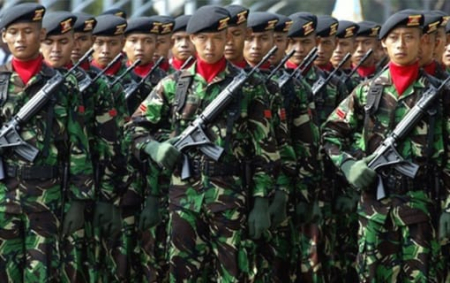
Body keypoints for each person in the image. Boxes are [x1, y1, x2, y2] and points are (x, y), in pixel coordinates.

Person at [127, 5, 279, 281]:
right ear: (193, 39)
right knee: (183, 272)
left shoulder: (249, 85)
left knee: (234, 272)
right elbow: (134, 128)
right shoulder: (173, 85)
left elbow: (264, 148)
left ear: (227, 39)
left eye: (218, 38)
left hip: (231, 195)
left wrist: (260, 200)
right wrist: (154, 147)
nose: (210, 45)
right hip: (183, 195)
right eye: (203, 38)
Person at [322, 10, 450, 282]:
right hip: (374, 211)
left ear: (422, 42)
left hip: (422, 210)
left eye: (409, 38)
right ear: (384, 44)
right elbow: (331, 132)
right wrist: (348, 165)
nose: (402, 45)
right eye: (394, 38)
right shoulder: (367, 92)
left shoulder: (439, 96)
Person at [0, 3, 93, 282]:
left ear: (40, 35)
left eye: (28, 31)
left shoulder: (64, 85)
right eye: (13, 33)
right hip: (2, 195)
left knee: (45, 273)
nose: (20, 39)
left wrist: (79, 200)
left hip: (47, 197)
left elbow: (78, 147)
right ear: (3, 37)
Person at [224, 4, 250, 68]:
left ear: (247, 33)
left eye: (236, 34)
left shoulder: (258, 77)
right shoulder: (203, 76)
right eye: (224, 35)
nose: (230, 42)